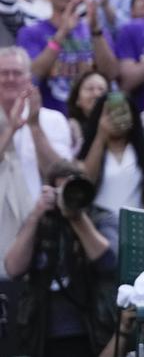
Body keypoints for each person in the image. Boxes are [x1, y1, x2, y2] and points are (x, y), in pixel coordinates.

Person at [3, 159, 119, 357]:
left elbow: (108, 262)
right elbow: (13, 268)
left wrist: (76, 217)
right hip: (41, 333)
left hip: (91, 331)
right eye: (62, 191)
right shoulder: (41, 221)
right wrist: (36, 215)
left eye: (72, 189)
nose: (68, 196)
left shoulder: (100, 218)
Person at [0, 48, 73, 263]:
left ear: (29, 78)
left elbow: (60, 174)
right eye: (4, 73)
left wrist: (33, 125)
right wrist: (11, 129)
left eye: (17, 73)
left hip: (42, 224)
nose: (10, 78)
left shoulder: (54, 120)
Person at [16, 0, 118, 113]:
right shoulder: (30, 32)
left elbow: (111, 74)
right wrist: (62, 33)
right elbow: (34, 74)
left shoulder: (95, 30)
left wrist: (96, 31)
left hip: (90, 118)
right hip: (50, 117)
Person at [77, 91, 144, 212]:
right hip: (99, 226)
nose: (117, 118)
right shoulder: (92, 150)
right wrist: (101, 136)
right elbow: (86, 183)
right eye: (111, 113)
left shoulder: (142, 153)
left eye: (123, 112)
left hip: (135, 226)